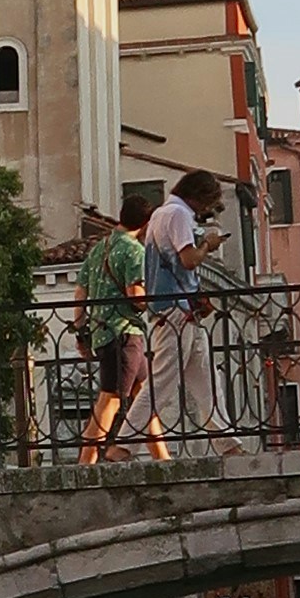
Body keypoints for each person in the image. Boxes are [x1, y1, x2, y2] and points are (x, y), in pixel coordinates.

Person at [142, 168, 224, 443]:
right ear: (200, 198)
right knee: (161, 381)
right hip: (178, 307)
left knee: (206, 381)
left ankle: (227, 441)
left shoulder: (160, 214)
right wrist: (207, 246)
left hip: (173, 307)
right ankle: (124, 440)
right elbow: (188, 259)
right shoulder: (178, 216)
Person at [76, 203, 161, 461]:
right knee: (109, 401)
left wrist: (80, 331)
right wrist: (159, 298)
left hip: (103, 333)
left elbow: (80, 291)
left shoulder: (99, 249)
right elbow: (136, 296)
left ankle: (164, 459)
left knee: (144, 396)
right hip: (124, 334)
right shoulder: (135, 251)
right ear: (145, 224)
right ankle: (84, 466)